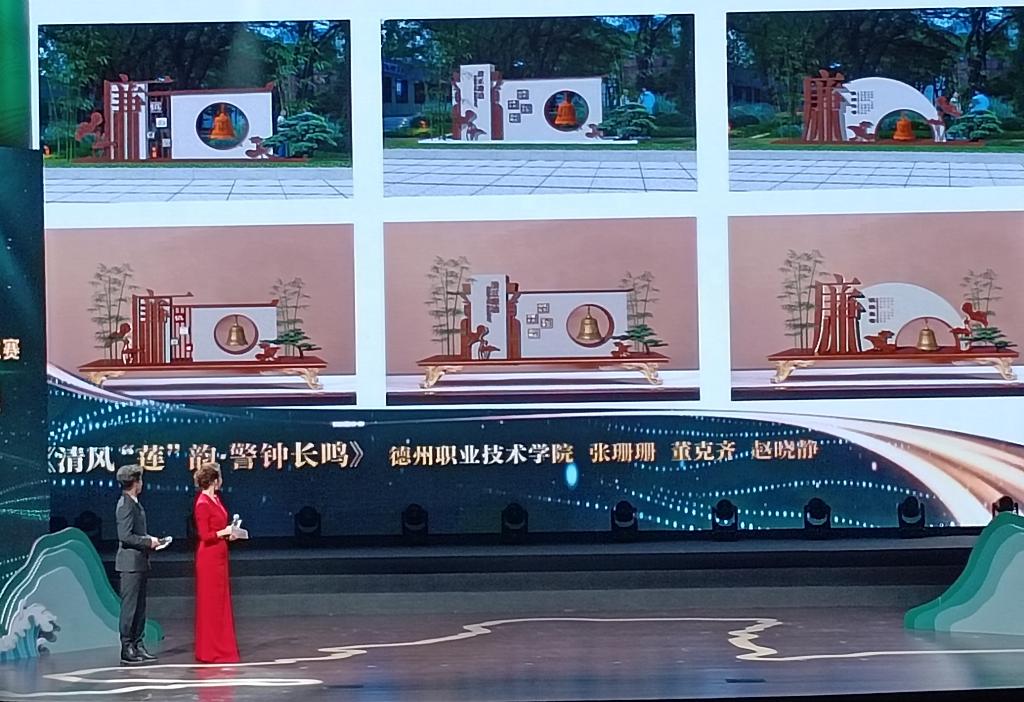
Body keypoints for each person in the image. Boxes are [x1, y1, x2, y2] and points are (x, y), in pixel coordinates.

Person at [193, 463, 240, 663]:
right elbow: (205, 535)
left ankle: (222, 646)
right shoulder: (202, 503)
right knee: (210, 605)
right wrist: (224, 532)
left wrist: (230, 533)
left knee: (220, 604)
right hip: (209, 558)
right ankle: (209, 650)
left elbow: (218, 529)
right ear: (214, 480)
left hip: (220, 555)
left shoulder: (216, 499)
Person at [115, 464, 161, 665]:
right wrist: (147, 542)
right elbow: (125, 536)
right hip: (130, 564)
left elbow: (136, 533)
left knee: (140, 608)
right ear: (136, 482)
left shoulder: (134, 503)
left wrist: (151, 540)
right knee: (130, 608)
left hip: (139, 562)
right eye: (140, 480)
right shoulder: (125, 505)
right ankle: (127, 647)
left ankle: (137, 644)